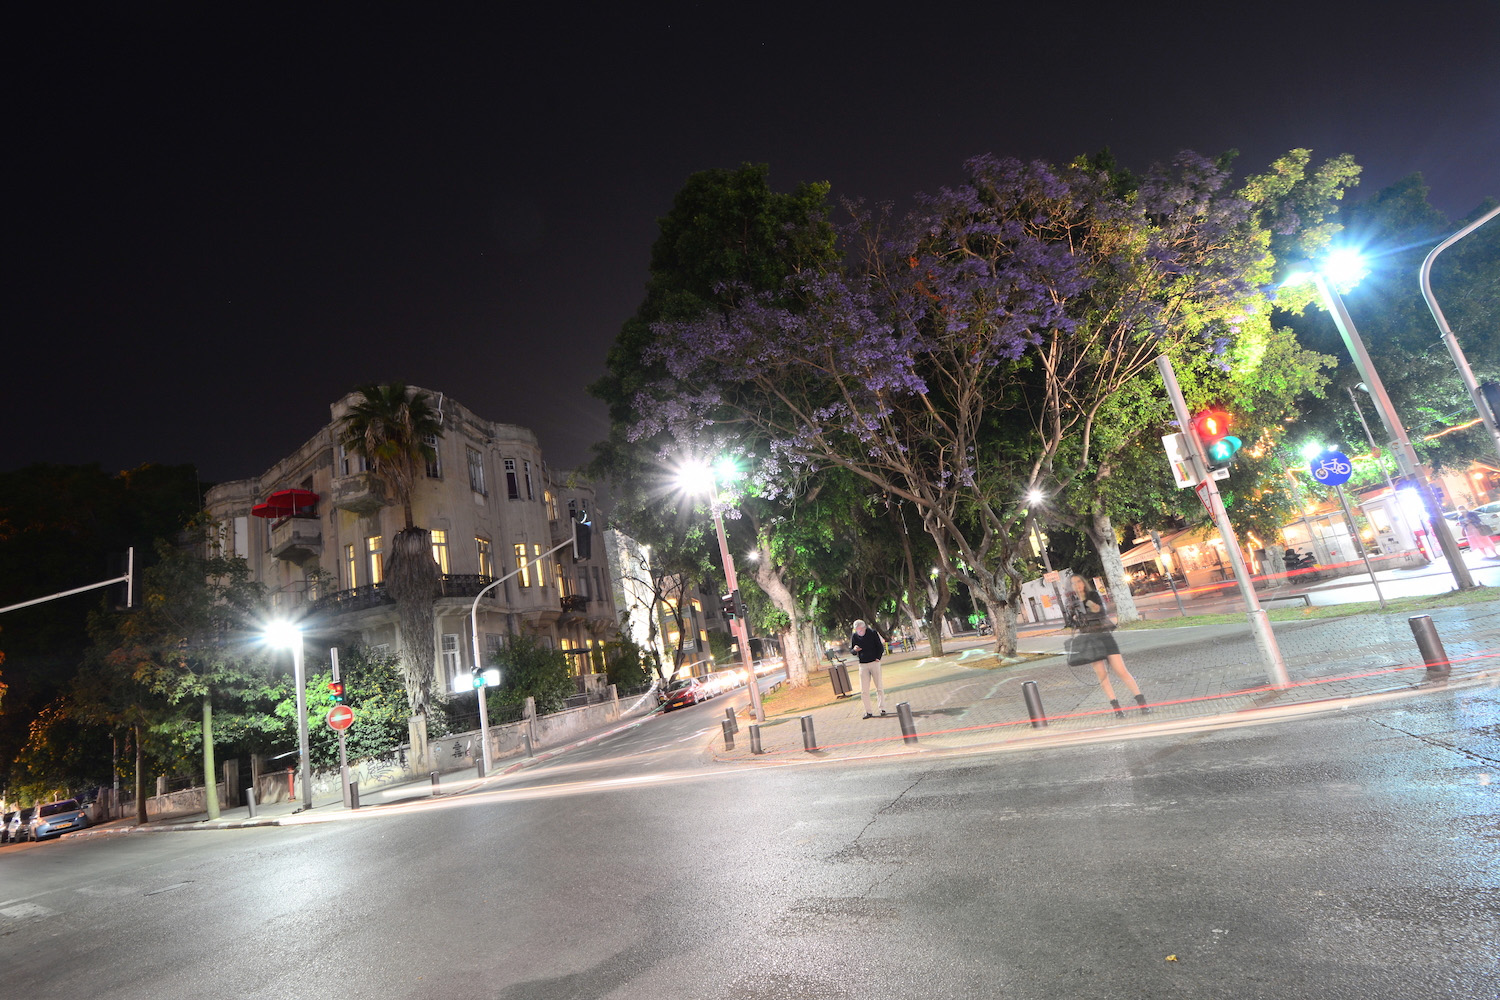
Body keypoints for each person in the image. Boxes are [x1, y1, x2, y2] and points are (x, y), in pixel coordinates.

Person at [1064, 574, 1148, 716]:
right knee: (1102, 675)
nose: (1077, 585)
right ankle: (1117, 709)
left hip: (1104, 637)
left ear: (1084, 582)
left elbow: (1100, 611)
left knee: (1121, 671)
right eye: (1073, 583)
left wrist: (1085, 602)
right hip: (1089, 640)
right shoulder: (1072, 603)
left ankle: (1142, 703)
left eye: (1079, 581)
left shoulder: (1093, 595)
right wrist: (1073, 618)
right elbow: (1070, 623)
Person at [849, 619, 887, 719]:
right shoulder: (855, 636)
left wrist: (878, 658)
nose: (859, 631)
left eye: (860, 629)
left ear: (864, 627)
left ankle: (882, 708)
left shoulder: (872, 633)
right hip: (863, 664)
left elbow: (880, 647)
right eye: (857, 630)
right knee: (864, 690)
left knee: (879, 686)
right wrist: (855, 650)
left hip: (874, 662)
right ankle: (868, 711)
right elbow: (852, 650)